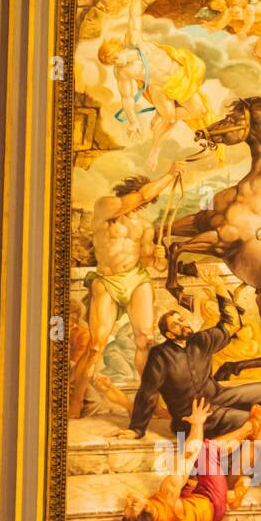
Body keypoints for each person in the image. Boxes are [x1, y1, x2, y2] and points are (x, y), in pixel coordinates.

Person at [69, 164, 183, 418]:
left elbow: (147, 261)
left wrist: (158, 257)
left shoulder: (144, 226)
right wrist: (170, 174)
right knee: (96, 347)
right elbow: (143, 195)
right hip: (107, 281)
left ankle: (154, 403)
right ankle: (75, 402)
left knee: (146, 339)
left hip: (136, 279)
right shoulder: (107, 206)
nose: (146, 203)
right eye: (146, 198)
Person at [117, 268, 261, 441]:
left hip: (219, 397)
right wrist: (136, 429)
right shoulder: (160, 355)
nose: (183, 324)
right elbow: (147, 393)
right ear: (170, 335)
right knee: (255, 421)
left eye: (181, 319)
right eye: (176, 324)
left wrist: (219, 287)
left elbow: (232, 325)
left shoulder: (200, 340)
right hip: (193, 415)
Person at [97, 396, 261, 521]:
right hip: (212, 504)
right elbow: (191, 452)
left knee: (191, 478)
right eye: (133, 504)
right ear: (149, 510)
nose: (128, 501)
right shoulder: (168, 494)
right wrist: (197, 424)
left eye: (126, 509)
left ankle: (234, 494)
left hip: (190, 508)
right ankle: (249, 429)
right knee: (206, 450)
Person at [99, 0, 211, 166]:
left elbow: (134, 18)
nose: (117, 64)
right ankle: (155, 151)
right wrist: (133, 121)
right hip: (159, 88)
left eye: (115, 59)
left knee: (199, 111)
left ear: (119, 49)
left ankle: (163, 113)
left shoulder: (134, 42)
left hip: (179, 78)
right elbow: (127, 98)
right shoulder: (122, 73)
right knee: (170, 118)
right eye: (112, 64)